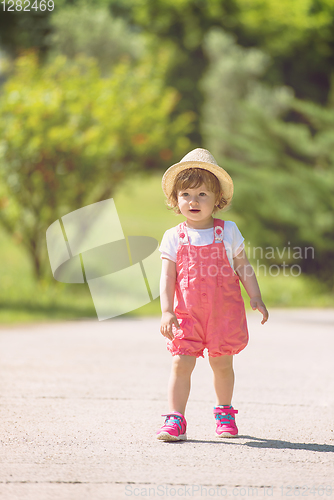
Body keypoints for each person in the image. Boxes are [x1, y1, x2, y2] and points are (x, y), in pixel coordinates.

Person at [156, 148, 268, 441]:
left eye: (202, 195)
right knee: (181, 362)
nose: (193, 201)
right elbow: (167, 276)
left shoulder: (227, 231)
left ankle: (224, 412)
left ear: (217, 200)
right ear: (175, 199)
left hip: (223, 315)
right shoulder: (174, 236)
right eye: (186, 195)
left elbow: (243, 267)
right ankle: (175, 418)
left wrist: (255, 296)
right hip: (187, 316)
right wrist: (167, 311)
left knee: (222, 363)